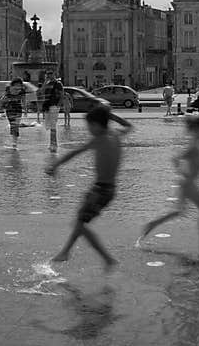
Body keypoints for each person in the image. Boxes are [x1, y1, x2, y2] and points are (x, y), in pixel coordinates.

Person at [46, 104, 133, 270]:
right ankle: (66, 252)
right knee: (80, 222)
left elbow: (75, 152)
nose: (89, 130)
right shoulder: (115, 135)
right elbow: (129, 126)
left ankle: (106, 258)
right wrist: (111, 117)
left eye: (90, 126)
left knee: (79, 224)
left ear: (97, 125)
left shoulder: (99, 139)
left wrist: (55, 165)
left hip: (101, 190)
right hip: (108, 189)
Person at [138, 115, 199, 255]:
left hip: (186, 183)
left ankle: (152, 224)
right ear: (198, 129)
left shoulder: (197, 143)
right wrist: (183, 173)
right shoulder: (194, 145)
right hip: (188, 184)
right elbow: (176, 158)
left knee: (178, 212)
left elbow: (195, 162)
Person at [0, 78, 26, 148]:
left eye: (19, 84)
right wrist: (0, 108)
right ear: (13, 84)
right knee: (13, 125)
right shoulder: (8, 88)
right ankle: (14, 141)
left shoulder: (22, 90)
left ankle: (14, 143)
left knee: (16, 125)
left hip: (18, 109)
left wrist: (25, 109)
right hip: (9, 109)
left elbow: (24, 100)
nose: (18, 86)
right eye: (17, 84)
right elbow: (3, 99)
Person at [40, 70, 64, 152]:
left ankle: (54, 144)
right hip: (47, 106)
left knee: (53, 125)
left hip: (54, 105)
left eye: (51, 73)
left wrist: (58, 105)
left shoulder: (58, 83)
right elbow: (41, 92)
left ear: (54, 74)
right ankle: (52, 144)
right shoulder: (47, 83)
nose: (49, 75)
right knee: (49, 126)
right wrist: (45, 82)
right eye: (48, 74)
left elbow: (62, 94)